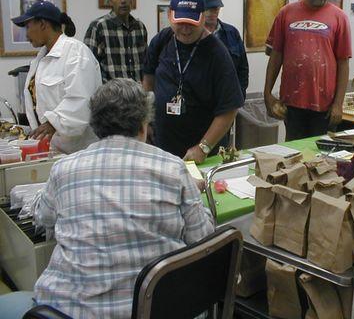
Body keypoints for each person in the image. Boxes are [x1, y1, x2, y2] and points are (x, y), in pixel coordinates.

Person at [0, 78, 214, 319]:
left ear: (96, 126)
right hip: (155, 310)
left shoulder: (64, 169)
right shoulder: (173, 169)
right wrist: (194, 195)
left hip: (64, 312)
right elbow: (202, 239)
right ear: (143, 125)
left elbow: (42, 217)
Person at [143, 0, 243, 163]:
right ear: (170, 16)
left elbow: (229, 109)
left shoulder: (217, 53)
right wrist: (147, 122)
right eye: (180, 22)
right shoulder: (161, 41)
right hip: (163, 148)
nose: (185, 29)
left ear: (203, 18)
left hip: (203, 153)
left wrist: (203, 147)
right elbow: (148, 82)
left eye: (191, 23)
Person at [264, 0, 352, 140]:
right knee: (293, 155)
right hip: (292, 103)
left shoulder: (339, 18)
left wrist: (338, 104)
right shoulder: (286, 13)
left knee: (319, 158)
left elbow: (343, 63)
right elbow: (276, 56)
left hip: (324, 106)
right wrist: (267, 94)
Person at [11, 1, 102, 153]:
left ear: (42, 24)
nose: (26, 35)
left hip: (79, 151)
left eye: (28, 27)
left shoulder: (75, 53)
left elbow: (81, 100)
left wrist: (53, 123)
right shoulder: (40, 60)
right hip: (52, 149)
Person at [84, 0, 147, 82]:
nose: (123, 0)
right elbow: (87, 66)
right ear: (110, 0)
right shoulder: (98, 27)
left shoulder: (139, 27)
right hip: (112, 95)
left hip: (138, 93)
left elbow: (145, 62)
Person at [198, 0, 248, 99]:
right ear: (199, 9)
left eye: (216, 8)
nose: (212, 12)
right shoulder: (190, 34)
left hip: (228, 99)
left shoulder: (232, 33)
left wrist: (239, 95)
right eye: (208, 9)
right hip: (199, 103)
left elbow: (243, 68)